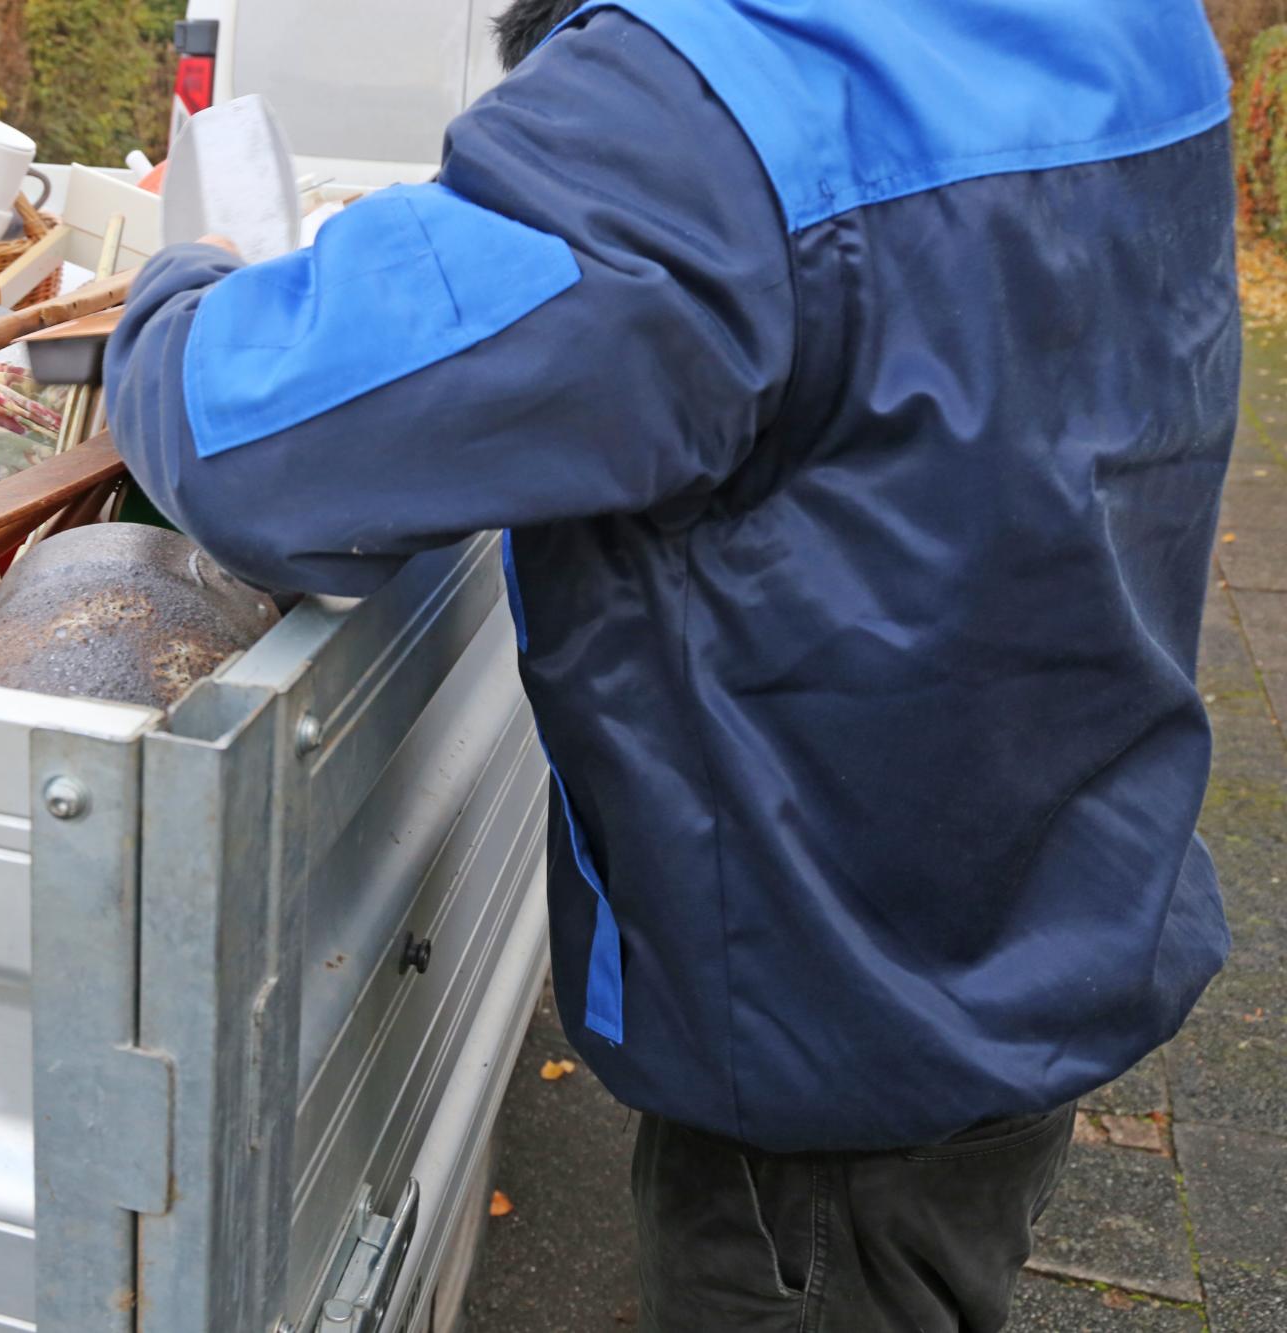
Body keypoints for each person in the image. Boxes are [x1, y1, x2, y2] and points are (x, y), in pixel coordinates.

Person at [103, 2, 1238, 1328]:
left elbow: (254, 437)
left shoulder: (710, 102)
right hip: (1030, 922)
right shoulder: (1133, 25)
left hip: (833, 1062)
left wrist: (187, 281)